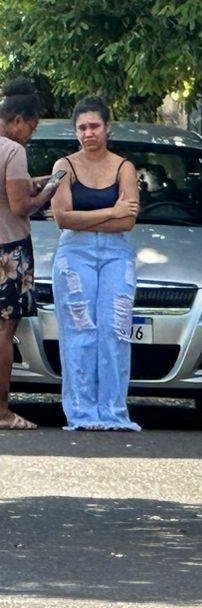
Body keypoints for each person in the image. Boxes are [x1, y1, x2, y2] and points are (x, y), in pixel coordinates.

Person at [50, 96, 142, 432]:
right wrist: (111, 211)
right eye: (82, 127)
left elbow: (127, 222)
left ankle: (115, 412)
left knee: (115, 330)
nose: (88, 133)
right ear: (75, 131)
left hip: (117, 253)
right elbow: (62, 217)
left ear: (107, 128)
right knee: (79, 331)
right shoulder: (64, 166)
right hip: (75, 254)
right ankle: (82, 413)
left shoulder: (124, 167)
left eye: (95, 126)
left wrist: (89, 217)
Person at [0, 80, 63, 430]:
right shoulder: (12, 149)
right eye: (32, 127)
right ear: (18, 120)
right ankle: (2, 411)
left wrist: (34, 181)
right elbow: (20, 205)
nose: (31, 135)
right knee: (4, 330)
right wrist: (49, 191)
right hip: (8, 249)